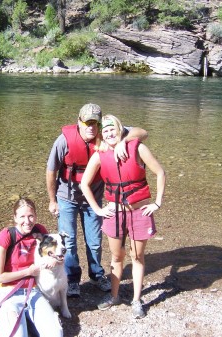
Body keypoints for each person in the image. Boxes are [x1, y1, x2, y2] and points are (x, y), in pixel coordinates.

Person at [46, 103, 148, 298]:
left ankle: (96, 275)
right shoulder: (63, 141)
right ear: (79, 121)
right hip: (66, 197)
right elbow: (51, 171)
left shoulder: (108, 134)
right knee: (70, 241)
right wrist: (52, 200)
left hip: (94, 197)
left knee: (94, 242)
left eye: (96, 123)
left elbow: (142, 132)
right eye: (88, 122)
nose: (92, 127)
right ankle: (73, 279)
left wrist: (124, 142)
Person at [80, 114, 165, 319]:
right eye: (106, 130)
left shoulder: (138, 148)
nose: (109, 133)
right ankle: (114, 296)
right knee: (117, 257)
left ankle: (136, 300)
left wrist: (157, 202)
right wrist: (98, 209)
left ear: (120, 130)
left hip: (139, 211)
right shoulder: (99, 155)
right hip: (115, 212)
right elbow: (84, 184)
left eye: (113, 129)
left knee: (137, 257)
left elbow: (160, 173)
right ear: (102, 133)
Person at [0, 198, 63, 337]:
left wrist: (54, 260)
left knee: (56, 334)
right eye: (22, 217)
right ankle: (7, 318)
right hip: (8, 292)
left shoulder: (40, 231)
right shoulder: (6, 235)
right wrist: (28, 272)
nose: (27, 221)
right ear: (15, 218)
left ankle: (27, 320)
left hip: (34, 292)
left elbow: (53, 255)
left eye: (30, 216)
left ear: (35, 216)